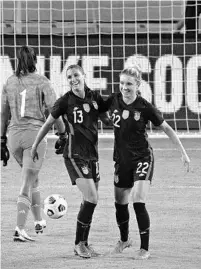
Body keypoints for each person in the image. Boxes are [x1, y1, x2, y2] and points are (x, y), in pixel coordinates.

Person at [101, 65, 190, 259]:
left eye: (129, 84)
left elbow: (167, 128)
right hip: (121, 160)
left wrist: (183, 152)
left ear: (138, 85)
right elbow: (96, 107)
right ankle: (124, 240)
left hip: (142, 158)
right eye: (122, 83)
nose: (125, 87)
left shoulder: (145, 107)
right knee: (119, 203)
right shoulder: (114, 100)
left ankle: (144, 248)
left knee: (138, 201)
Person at [31, 64, 110, 258]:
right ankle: (78, 244)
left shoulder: (95, 97)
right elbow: (49, 123)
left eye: (76, 75)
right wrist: (34, 145)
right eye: (69, 77)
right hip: (74, 154)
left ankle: (84, 243)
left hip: (93, 155)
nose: (73, 79)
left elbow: (107, 120)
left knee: (89, 201)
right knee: (92, 198)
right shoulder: (65, 101)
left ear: (84, 75)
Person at [1, 46, 66, 242]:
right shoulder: (42, 81)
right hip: (34, 138)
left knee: (32, 177)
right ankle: (19, 228)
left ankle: (38, 221)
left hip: (14, 138)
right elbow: (55, 111)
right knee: (26, 182)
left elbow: (3, 114)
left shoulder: (9, 82)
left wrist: (2, 140)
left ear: (17, 61)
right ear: (34, 60)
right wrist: (63, 134)